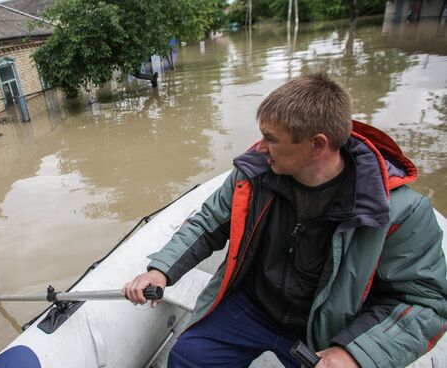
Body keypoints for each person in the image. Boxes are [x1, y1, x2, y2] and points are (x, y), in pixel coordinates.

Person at [123, 74, 447, 368]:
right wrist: (160, 271)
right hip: (254, 306)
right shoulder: (252, 174)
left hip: (325, 331)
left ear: (317, 144)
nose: (260, 148)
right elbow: (208, 223)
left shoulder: (402, 212)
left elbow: (424, 301)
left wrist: (352, 353)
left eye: (271, 139)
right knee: (187, 356)